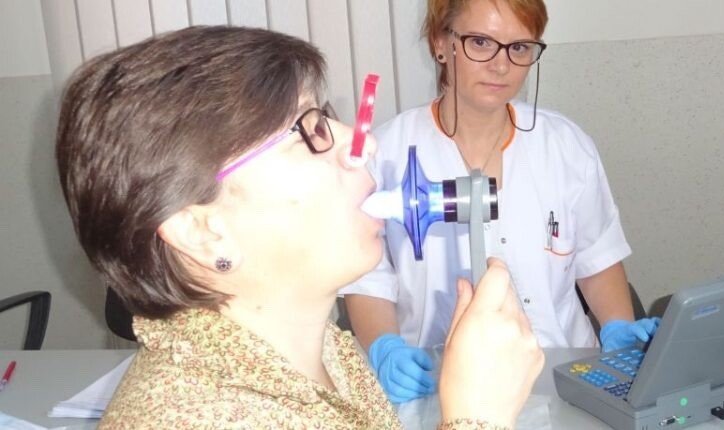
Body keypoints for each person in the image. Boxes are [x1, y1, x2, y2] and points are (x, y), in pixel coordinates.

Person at [55, 26, 543, 429]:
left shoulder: (321, 351)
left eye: (325, 117)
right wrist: (476, 419)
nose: (363, 144)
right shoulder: (195, 418)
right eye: (308, 131)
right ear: (203, 232)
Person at [341, 0, 659, 403]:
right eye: (480, 42)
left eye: (520, 47)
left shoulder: (565, 145)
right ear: (440, 43)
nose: (501, 65)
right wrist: (385, 348)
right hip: (437, 386)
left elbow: (597, 256)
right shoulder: (386, 153)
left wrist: (618, 330)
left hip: (564, 380)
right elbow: (369, 280)